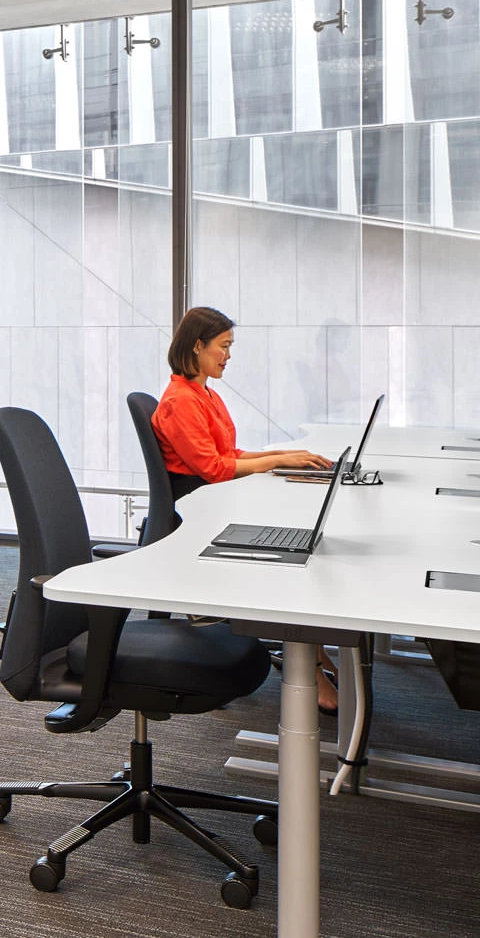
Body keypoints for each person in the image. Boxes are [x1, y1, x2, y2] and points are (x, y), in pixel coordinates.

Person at [151, 305, 340, 711]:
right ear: (198, 346)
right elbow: (215, 469)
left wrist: (286, 455)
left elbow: (230, 452)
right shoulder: (180, 401)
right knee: (289, 554)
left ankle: (312, 650)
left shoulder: (205, 393)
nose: (228, 355)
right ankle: (301, 660)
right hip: (201, 509)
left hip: (216, 498)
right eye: (223, 346)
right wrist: (275, 461)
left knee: (295, 534)